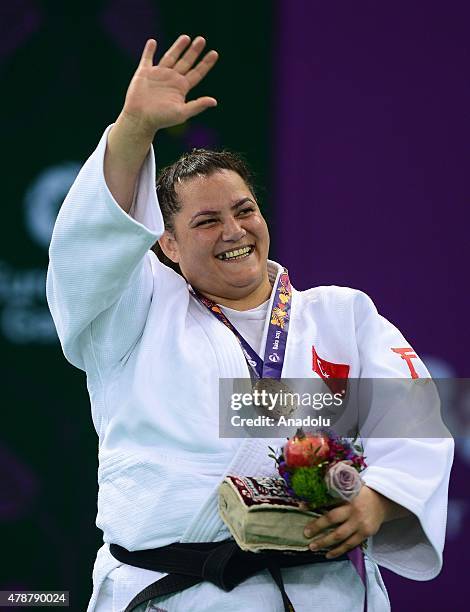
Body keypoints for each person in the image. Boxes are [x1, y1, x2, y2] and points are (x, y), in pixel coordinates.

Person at [46, 35, 453, 612]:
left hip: (323, 593)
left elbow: (414, 416)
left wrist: (380, 500)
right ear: (166, 242)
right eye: (207, 220)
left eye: (244, 211)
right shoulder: (138, 310)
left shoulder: (341, 315)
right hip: (176, 596)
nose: (235, 231)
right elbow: (86, 258)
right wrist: (134, 129)